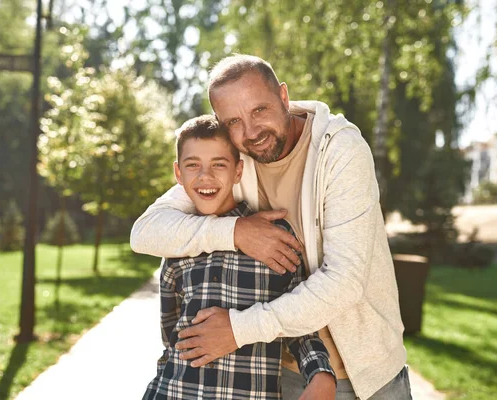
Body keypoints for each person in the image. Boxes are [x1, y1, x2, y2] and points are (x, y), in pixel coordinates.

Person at [131, 54, 412, 400]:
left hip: (368, 377)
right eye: (233, 121)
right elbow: (146, 231)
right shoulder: (233, 160)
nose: (250, 132)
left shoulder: (339, 150)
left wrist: (237, 329)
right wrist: (236, 232)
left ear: (283, 97)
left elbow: (344, 280)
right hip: (283, 375)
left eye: (259, 110)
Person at [143, 114, 336, 399]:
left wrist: (321, 374)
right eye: (192, 165)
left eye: (218, 165)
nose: (204, 176)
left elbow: (298, 324)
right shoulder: (176, 240)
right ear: (178, 173)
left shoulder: (274, 237)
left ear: (237, 171)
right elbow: (171, 336)